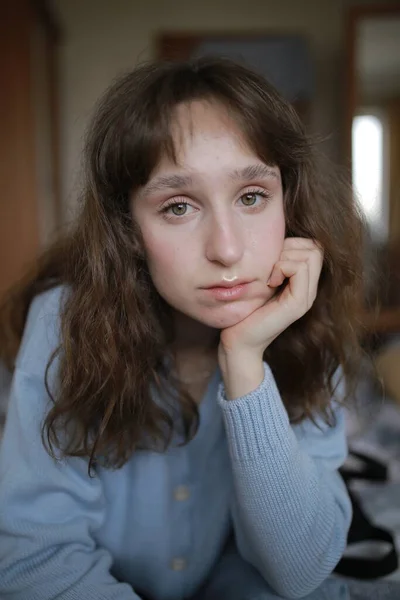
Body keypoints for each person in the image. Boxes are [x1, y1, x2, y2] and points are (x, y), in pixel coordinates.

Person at [0, 56, 366, 600]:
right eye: (177, 207)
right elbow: (34, 557)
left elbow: (299, 571)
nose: (226, 249)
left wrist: (246, 365)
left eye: (251, 197)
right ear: (128, 229)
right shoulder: (63, 322)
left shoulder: (303, 322)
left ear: (287, 202)